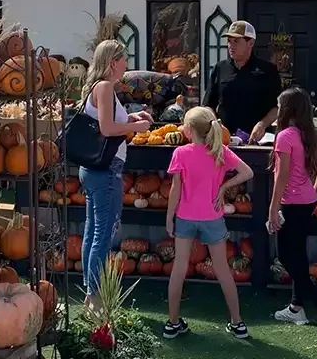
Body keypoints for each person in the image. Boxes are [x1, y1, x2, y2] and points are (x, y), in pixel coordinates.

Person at [163, 105, 254, 340]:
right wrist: (223, 187)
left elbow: (176, 189)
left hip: (185, 216)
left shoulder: (180, 153)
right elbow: (248, 173)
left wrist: (169, 216)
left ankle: (172, 323)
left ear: (189, 130)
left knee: (179, 269)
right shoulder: (220, 151)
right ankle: (238, 322)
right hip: (213, 217)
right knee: (223, 269)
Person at [79, 39, 152, 311]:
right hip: (107, 170)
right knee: (103, 235)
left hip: (92, 170)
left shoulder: (95, 88)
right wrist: (140, 125)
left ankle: (90, 294)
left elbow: (105, 124)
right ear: (112, 62)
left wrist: (130, 119)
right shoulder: (107, 87)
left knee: (91, 233)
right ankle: (96, 298)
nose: (126, 65)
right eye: (124, 60)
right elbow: (108, 129)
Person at [266, 87, 317, 325]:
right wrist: (314, 190)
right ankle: (296, 308)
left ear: (286, 110)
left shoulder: (284, 136)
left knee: (285, 255)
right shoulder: (306, 134)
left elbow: (281, 176)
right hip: (307, 201)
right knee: (298, 255)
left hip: (290, 203)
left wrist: (273, 209)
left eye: (280, 107)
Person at [205, 20, 281, 143]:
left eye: (236, 41)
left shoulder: (268, 70)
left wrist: (262, 125)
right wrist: (216, 125)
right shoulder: (220, 68)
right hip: (225, 140)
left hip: (258, 140)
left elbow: (277, 107)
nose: (231, 46)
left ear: (250, 43)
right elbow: (208, 105)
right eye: (229, 41)